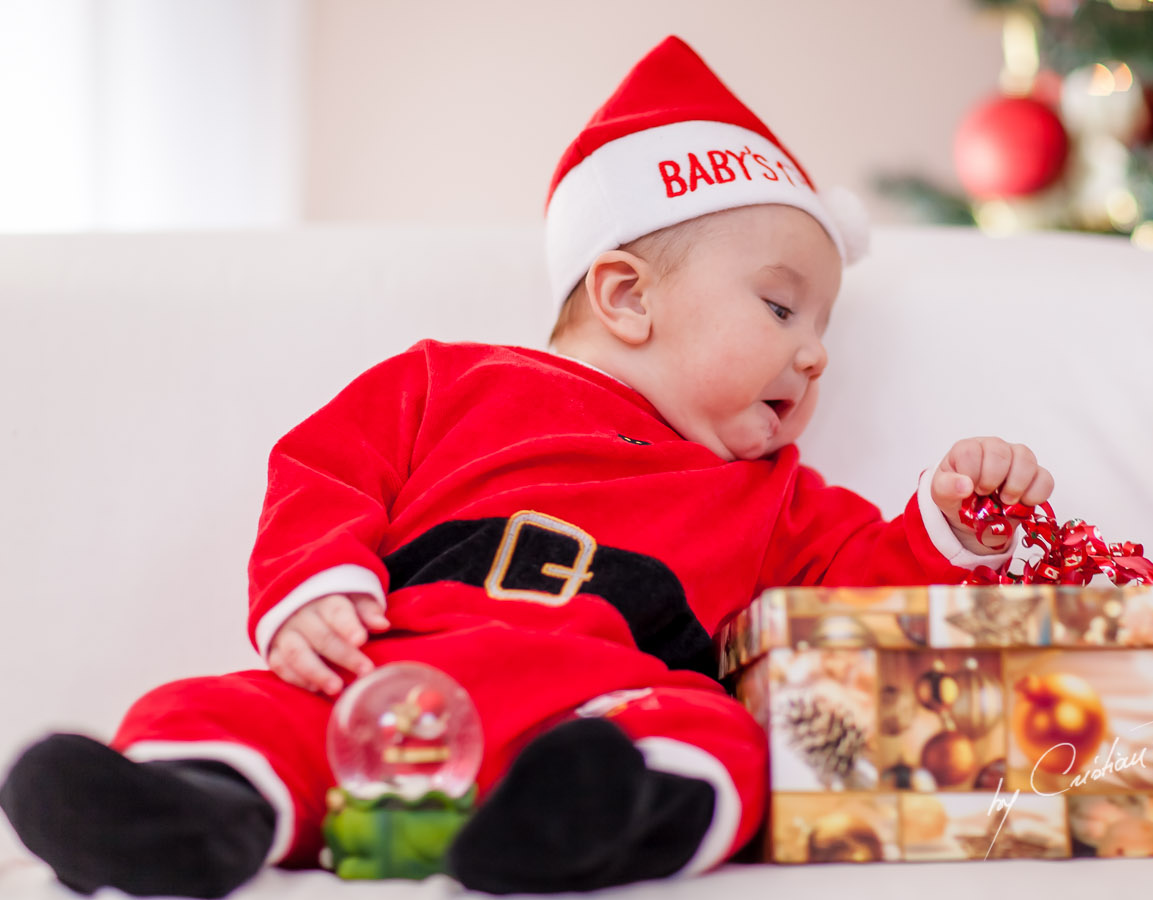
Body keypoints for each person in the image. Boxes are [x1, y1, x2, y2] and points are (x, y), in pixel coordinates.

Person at [0, 35, 1053, 898]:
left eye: (824, 328)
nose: (815, 351)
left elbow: (865, 596)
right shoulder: (447, 384)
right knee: (219, 707)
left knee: (723, 732)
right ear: (626, 297)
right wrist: (315, 588)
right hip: (383, 694)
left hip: (596, 718)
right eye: (781, 307)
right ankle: (186, 816)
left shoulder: (777, 495)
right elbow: (324, 469)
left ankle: (589, 828)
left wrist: (953, 521)